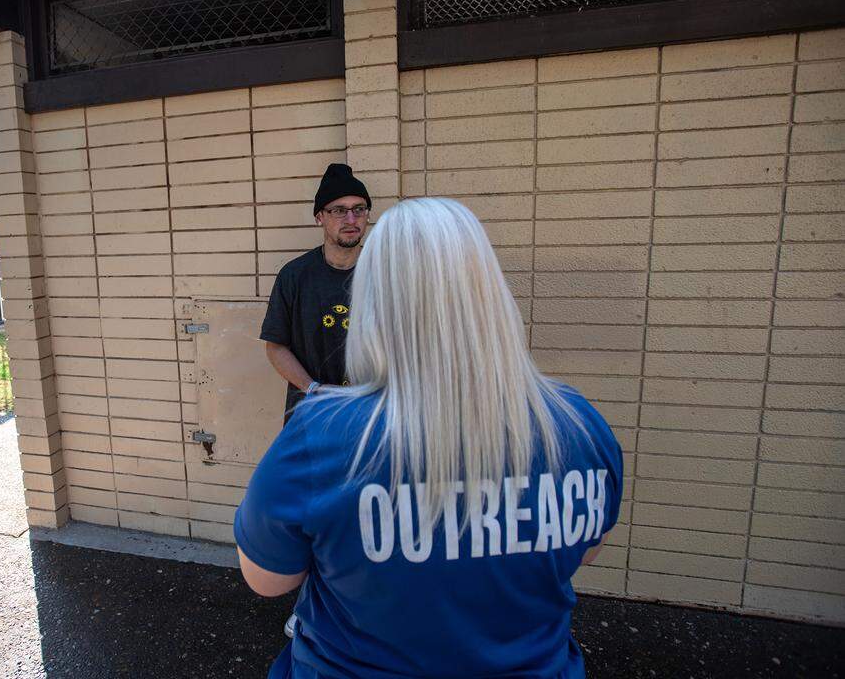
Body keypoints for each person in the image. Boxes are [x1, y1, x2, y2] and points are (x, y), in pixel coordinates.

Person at [234, 198, 624, 678]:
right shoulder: (578, 423)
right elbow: (585, 548)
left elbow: (268, 581)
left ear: (374, 298)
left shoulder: (319, 434)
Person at [261, 163, 371, 421]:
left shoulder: (386, 273)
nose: (351, 220)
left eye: (359, 209)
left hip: (370, 415)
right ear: (319, 217)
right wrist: (313, 389)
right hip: (311, 414)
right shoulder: (295, 276)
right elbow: (276, 346)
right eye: (339, 211)